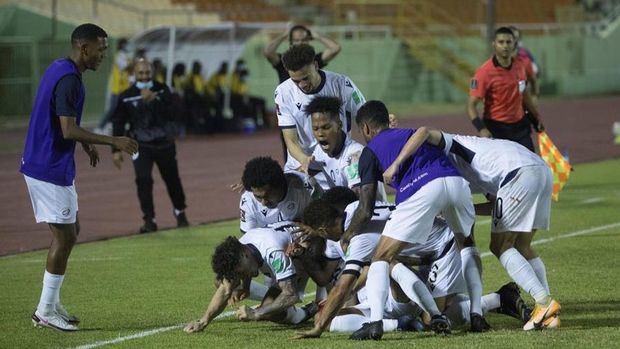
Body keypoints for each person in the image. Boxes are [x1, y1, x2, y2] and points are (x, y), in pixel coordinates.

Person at [20, 23, 138, 332]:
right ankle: (45, 310)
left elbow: (64, 117)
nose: (104, 55)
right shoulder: (70, 80)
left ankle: (51, 302)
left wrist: (86, 143)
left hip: (49, 163)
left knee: (72, 229)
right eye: (100, 49)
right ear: (84, 48)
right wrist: (113, 141)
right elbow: (67, 129)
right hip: (47, 166)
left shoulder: (60, 67)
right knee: (66, 236)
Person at [383, 127, 561, 330]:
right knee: (523, 245)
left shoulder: (449, 145)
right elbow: (497, 206)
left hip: (518, 174)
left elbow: (424, 131)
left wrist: (396, 164)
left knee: (500, 246)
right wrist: (464, 209)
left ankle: (543, 302)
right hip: (540, 170)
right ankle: (547, 312)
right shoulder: (476, 170)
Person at [343, 100, 488, 340]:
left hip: (421, 189)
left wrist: (348, 234)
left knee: (381, 257)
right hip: (455, 182)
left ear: (366, 129)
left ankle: (375, 322)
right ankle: (476, 313)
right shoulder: (411, 134)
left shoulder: (369, 152)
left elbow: (366, 208)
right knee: (467, 244)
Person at [183, 221, 316, 333]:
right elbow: (225, 290)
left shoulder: (272, 252)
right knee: (221, 282)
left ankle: (308, 310)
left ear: (245, 255)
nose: (240, 277)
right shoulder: (242, 248)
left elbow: (291, 295)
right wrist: (203, 321)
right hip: (290, 262)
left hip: (316, 257)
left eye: (240, 272)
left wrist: (257, 313)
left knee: (270, 310)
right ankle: (305, 311)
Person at [111, 59, 189, 233]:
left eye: (147, 73)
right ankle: (149, 220)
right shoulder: (126, 95)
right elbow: (118, 122)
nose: (144, 76)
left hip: (165, 143)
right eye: (141, 73)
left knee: (172, 179)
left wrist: (155, 100)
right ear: (134, 74)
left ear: (152, 72)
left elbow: (174, 114)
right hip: (140, 145)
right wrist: (115, 150)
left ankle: (180, 212)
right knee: (143, 181)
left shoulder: (162, 90)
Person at [276, 44, 366, 180]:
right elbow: (290, 140)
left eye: (306, 78)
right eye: (296, 81)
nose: (302, 85)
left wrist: (382, 119)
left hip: (338, 163)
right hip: (302, 165)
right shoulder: (283, 92)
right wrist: (305, 160)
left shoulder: (341, 84)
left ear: (316, 65)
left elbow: (365, 116)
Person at [467, 27, 544, 152]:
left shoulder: (521, 66)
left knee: (530, 165)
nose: (505, 46)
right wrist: (481, 129)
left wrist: (536, 117)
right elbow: (471, 106)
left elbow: (523, 93)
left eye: (508, 42)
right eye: (501, 42)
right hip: (496, 128)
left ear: (514, 44)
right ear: (494, 44)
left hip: (520, 127)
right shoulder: (484, 73)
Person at [304, 96, 388, 201]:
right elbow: (306, 172)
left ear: (339, 125)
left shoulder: (354, 155)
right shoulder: (319, 152)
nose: (320, 134)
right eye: (315, 129)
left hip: (373, 214)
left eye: (326, 127)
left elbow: (357, 197)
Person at [239, 156, 316, 234]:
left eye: (267, 195)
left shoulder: (307, 188)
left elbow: (323, 224)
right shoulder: (248, 200)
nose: (264, 203)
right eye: (258, 197)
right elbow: (249, 239)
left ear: (280, 185)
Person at [264, 24, 341, 84]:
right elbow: (268, 52)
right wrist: (284, 35)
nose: (300, 43)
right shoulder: (283, 61)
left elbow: (335, 48)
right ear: (291, 43)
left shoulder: (314, 60)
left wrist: (317, 36)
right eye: (296, 40)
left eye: (303, 40)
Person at [95, 37, 130, 134]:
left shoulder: (126, 56)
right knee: (112, 108)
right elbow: (126, 66)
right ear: (122, 45)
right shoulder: (119, 55)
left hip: (124, 89)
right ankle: (100, 127)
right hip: (116, 88)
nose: (127, 46)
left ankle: (110, 127)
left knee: (121, 109)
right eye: (126, 44)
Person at [230, 59, 267, 129]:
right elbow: (234, 90)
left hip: (245, 95)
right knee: (248, 105)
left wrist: (245, 96)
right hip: (236, 97)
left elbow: (245, 90)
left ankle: (263, 122)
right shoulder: (234, 76)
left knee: (261, 101)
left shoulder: (244, 73)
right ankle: (250, 123)